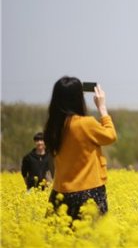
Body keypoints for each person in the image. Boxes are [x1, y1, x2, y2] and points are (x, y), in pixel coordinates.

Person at [43, 77, 117, 220]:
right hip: (88, 194)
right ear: (78, 98)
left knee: (59, 240)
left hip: (59, 195)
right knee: (91, 240)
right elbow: (111, 136)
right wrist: (102, 108)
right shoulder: (85, 124)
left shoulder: (52, 126)